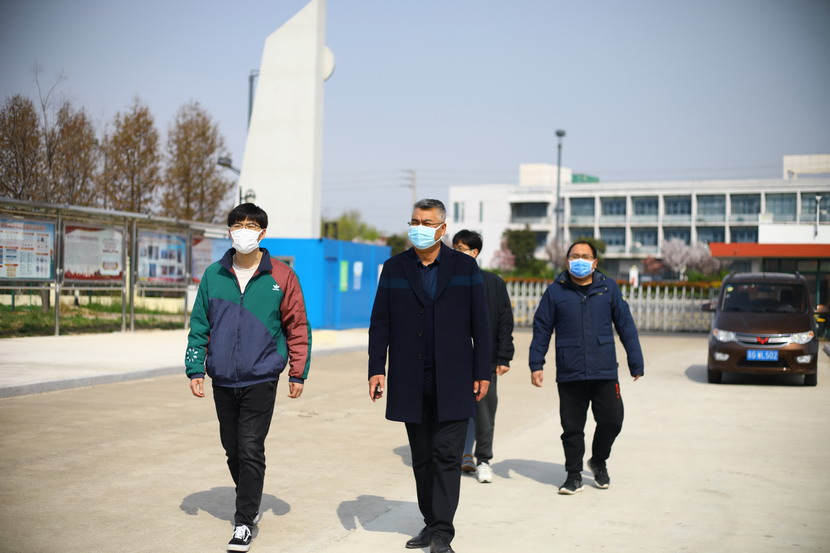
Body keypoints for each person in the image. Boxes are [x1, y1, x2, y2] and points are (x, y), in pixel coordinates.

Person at [185, 203, 311, 552]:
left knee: (251, 447)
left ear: (263, 233)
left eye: (251, 226)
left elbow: (297, 325)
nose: (244, 231)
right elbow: (199, 324)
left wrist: (297, 371)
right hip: (223, 378)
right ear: (229, 230)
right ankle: (250, 500)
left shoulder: (282, 276)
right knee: (233, 450)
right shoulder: (214, 274)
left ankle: (244, 521)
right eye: (238, 224)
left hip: (261, 377)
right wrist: (195, 367)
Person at [368, 199, 491, 553]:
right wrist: (376, 368)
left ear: (442, 228)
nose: (418, 228)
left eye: (426, 222)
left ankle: (442, 533)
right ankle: (430, 522)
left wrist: (482, 371)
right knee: (422, 457)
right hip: (410, 378)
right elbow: (380, 322)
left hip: (454, 377)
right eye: (414, 221)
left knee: (446, 456)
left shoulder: (464, 267)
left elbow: (480, 323)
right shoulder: (395, 268)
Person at [528, 240, 643, 495]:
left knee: (612, 421)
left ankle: (598, 460)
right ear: (567, 261)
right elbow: (542, 328)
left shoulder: (608, 288)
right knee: (572, 428)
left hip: (604, 369)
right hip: (570, 370)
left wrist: (635, 361)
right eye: (574, 256)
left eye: (585, 256)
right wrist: (536, 363)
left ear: (595, 262)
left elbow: (625, 325)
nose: (579, 260)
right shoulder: (555, 291)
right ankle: (573, 475)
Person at [451, 230, 514, 484]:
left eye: (461, 249)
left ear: (474, 252)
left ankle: (484, 460)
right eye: (454, 249)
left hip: (484, 360)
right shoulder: (444, 280)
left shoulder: (492, 283)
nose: (456, 254)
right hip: (452, 360)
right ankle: (461, 454)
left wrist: (504, 357)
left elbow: (504, 321)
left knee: (484, 412)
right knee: (453, 412)